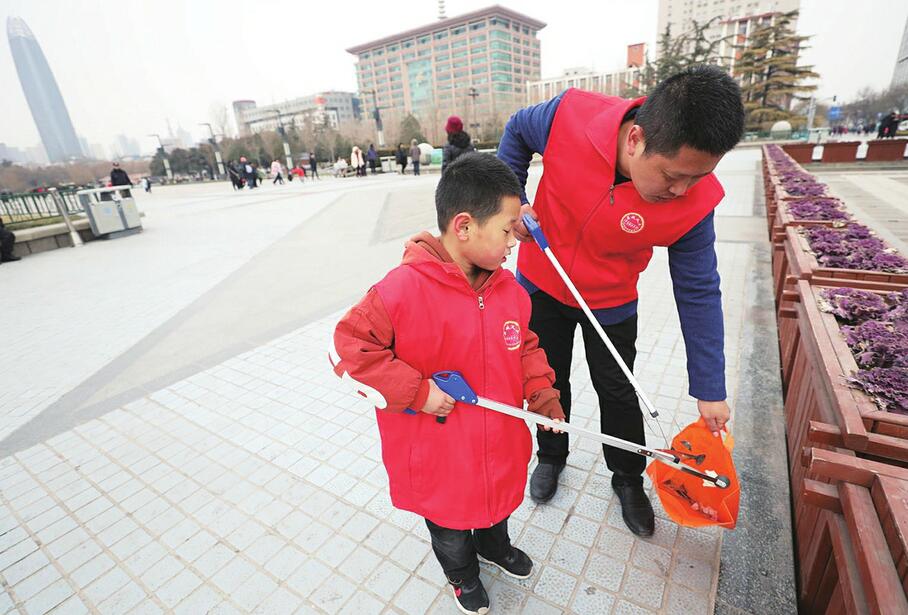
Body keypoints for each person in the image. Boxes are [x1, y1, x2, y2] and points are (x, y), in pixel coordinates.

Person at [497, 65, 744, 537]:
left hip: (610, 301)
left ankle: (628, 478)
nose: (680, 191)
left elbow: (699, 290)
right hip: (541, 282)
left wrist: (709, 387)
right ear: (635, 140)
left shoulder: (695, 202)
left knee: (618, 392)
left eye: (696, 178)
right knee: (547, 379)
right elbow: (515, 132)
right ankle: (551, 454)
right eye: (672, 176)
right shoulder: (569, 116)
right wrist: (513, 198)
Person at [329, 153, 565, 615]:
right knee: (451, 528)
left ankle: (495, 547)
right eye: (507, 228)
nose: (515, 239)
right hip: (438, 453)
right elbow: (349, 350)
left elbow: (527, 348)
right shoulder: (399, 291)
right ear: (463, 226)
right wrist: (417, 393)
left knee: (497, 505)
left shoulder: (511, 291)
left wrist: (543, 396)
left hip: (497, 443)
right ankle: (462, 575)